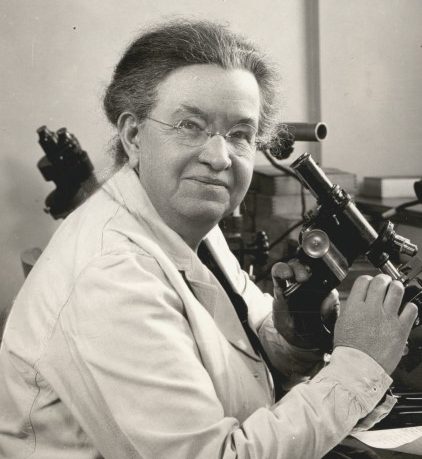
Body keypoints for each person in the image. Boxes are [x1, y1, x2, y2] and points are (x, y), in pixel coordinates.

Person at [0, 19, 417, 459]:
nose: (219, 157)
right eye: (189, 125)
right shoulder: (111, 274)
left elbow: (253, 347)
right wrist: (360, 363)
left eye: (239, 134)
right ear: (133, 135)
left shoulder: (190, 219)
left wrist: (296, 331)